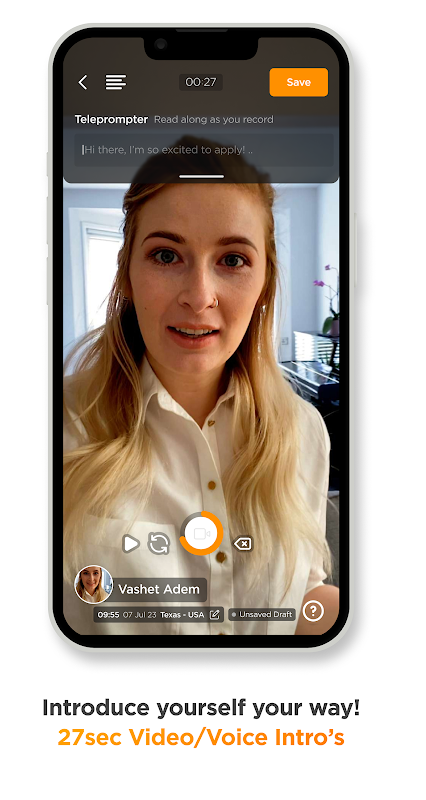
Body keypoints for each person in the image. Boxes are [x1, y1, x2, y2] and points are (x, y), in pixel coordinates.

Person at [63, 141, 339, 636]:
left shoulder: (304, 431)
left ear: (264, 284)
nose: (198, 297)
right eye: (166, 255)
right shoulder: (58, 425)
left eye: (232, 260)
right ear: (127, 273)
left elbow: (301, 596)